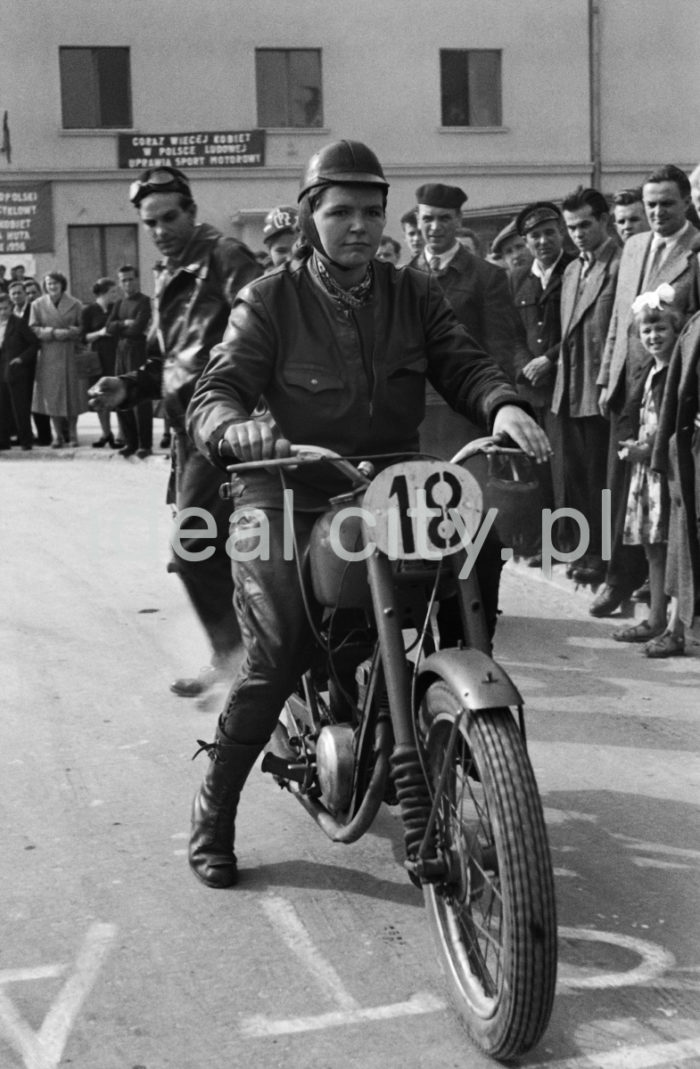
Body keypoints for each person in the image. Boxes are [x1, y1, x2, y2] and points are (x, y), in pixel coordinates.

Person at [183, 139, 550, 890]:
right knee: (279, 651)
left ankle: (455, 712)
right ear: (311, 214)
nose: (357, 225)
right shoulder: (270, 298)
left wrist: (504, 404)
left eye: (371, 211)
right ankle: (214, 808)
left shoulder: (412, 292)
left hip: (387, 483)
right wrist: (233, 427)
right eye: (341, 210)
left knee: (473, 542)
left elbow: (462, 360)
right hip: (288, 485)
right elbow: (214, 391)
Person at [88, 165, 262, 699]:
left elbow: (267, 326)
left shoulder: (226, 258)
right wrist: (129, 386)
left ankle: (239, 660)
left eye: (169, 217)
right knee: (222, 551)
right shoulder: (168, 273)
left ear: (191, 211)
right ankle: (244, 657)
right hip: (190, 437)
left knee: (195, 550)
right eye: (150, 223)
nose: (160, 229)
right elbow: (165, 362)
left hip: (230, 429)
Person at [593, 164, 700, 616]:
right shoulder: (633, 245)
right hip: (625, 384)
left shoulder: (696, 250)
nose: (657, 212)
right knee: (621, 488)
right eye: (651, 204)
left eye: (667, 203)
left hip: (671, 384)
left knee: (665, 488)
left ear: (685, 204)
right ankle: (619, 577)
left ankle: (659, 594)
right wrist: (605, 376)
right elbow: (620, 317)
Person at [412, 182, 524, 459]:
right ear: (418, 220)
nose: (435, 227)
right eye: (428, 218)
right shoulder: (401, 277)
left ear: (458, 220)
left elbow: (500, 351)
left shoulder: (487, 277)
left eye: (444, 218)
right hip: (413, 411)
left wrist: (494, 406)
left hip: (464, 408)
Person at [552, 187, 621, 585]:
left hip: (599, 389)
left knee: (602, 481)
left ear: (604, 221)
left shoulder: (620, 263)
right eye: (571, 227)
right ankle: (583, 550)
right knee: (575, 479)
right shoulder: (574, 269)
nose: (577, 234)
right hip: (570, 388)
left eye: (585, 225)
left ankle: (603, 557)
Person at [612, 286, 679, 647]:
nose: (654, 336)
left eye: (660, 329)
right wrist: (628, 445)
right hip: (644, 470)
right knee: (653, 545)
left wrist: (653, 447)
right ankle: (654, 618)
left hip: (669, 469)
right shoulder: (644, 371)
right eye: (647, 331)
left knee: (674, 545)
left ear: (676, 330)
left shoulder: (682, 372)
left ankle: (675, 626)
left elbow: (682, 421)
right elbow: (628, 413)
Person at [510, 202, 576, 563]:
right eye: (535, 235)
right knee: (533, 469)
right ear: (525, 241)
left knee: (562, 466)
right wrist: (524, 365)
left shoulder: (575, 270)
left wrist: (548, 359)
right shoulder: (517, 277)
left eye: (550, 232)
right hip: (528, 389)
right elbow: (511, 332)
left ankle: (566, 542)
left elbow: (578, 327)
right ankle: (540, 542)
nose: (543, 240)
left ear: (561, 233)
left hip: (563, 386)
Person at [30, 271, 84, 448]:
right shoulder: (37, 304)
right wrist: (52, 333)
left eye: (55, 283)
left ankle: (74, 434)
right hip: (49, 354)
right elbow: (33, 329)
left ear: (62, 284)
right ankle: (58, 435)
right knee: (52, 396)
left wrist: (70, 332)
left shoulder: (75, 304)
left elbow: (82, 327)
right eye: (48, 284)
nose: (52, 287)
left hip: (69, 352)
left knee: (71, 395)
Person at [105, 266, 152, 458]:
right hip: (121, 352)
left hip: (137, 352)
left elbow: (138, 328)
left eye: (130, 279)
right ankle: (130, 442)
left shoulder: (145, 302)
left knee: (140, 396)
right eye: (123, 280)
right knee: (121, 394)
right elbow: (109, 327)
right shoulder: (119, 303)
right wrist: (124, 324)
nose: (127, 283)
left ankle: (145, 444)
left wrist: (121, 327)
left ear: (137, 280)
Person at [81, 278, 119, 448]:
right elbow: (84, 337)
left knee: (118, 393)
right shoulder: (89, 310)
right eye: (112, 292)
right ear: (103, 293)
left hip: (117, 354)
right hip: (98, 356)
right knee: (100, 394)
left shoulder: (116, 307)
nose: (115, 295)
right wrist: (102, 332)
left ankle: (122, 434)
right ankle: (105, 432)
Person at [0, 290, 39, 450]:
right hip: (0, 370)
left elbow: (35, 344)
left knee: (20, 407)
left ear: (11, 308)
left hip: (15, 370)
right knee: (1, 407)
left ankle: (26, 441)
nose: (3, 312)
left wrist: (21, 359)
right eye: (0, 308)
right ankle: (3, 441)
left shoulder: (19, 323)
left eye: (5, 308)